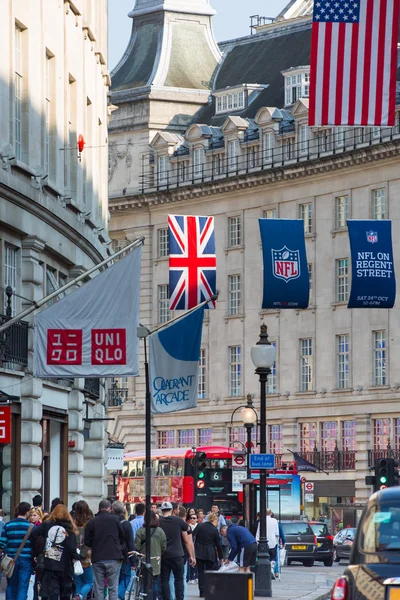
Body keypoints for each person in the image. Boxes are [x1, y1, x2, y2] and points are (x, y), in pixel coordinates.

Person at [30, 503, 80, 600]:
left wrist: (38, 550)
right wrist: (78, 557)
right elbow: (71, 548)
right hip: (65, 564)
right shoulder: (69, 527)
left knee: (52, 590)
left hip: (50, 562)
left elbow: (34, 534)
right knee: (64, 592)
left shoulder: (47, 524)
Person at [84, 499, 126, 600]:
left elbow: (87, 541)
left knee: (99, 587)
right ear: (109, 508)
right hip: (113, 557)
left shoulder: (92, 522)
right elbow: (122, 537)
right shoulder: (115, 519)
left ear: (99, 509)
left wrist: (95, 544)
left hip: (98, 557)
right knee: (113, 588)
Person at [158, 501, 195, 600]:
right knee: (179, 579)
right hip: (178, 555)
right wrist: (191, 555)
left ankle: (166, 598)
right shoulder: (178, 521)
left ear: (162, 510)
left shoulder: (158, 521)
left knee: (164, 579)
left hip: (164, 555)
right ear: (172, 510)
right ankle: (179, 598)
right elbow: (187, 538)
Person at [0, 501, 32, 600]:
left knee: (11, 586)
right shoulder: (31, 527)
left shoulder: (8, 525)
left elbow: (2, 543)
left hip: (11, 559)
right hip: (26, 560)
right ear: (27, 513)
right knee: (22, 587)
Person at [134, 511, 167, 600]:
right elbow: (164, 547)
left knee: (144, 583)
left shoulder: (140, 531)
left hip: (143, 561)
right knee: (155, 582)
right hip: (156, 560)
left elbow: (136, 546)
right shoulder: (160, 531)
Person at [194, 513, 222, 598]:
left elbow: (192, 535)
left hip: (198, 552)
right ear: (215, 520)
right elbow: (219, 544)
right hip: (210, 553)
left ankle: (201, 591)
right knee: (210, 572)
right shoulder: (214, 530)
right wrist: (221, 557)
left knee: (201, 572)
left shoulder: (200, 526)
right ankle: (209, 590)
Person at [111, 500, 135, 600]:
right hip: (124, 556)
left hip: (111, 555)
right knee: (125, 578)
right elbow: (130, 543)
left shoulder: (110, 523)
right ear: (123, 510)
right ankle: (118, 597)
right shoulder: (126, 524)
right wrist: (133, 561)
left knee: (116, 579)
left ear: (113, 510)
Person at [73, 500, 94, 600]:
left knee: (78, 582)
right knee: (89, 582)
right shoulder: (91, 524)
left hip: (75, 556)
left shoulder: (73, 525)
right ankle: (80, 596)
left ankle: (77, 595)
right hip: (87, 557)